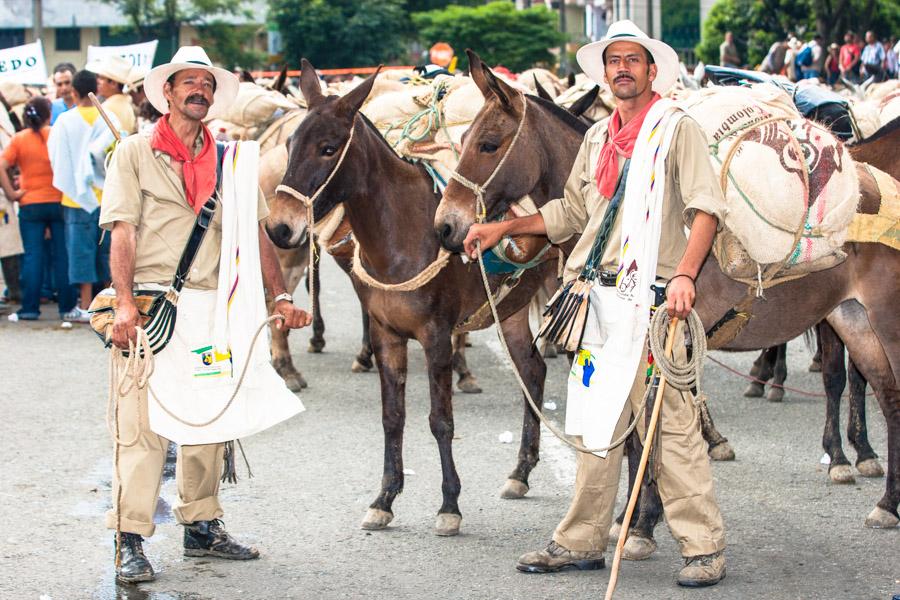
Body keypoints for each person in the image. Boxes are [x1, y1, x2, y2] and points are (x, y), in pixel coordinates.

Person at [463, 20, 727, 587]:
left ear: (652, 71)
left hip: (656, 303)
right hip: (598, 304)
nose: (623, 69)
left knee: (671, 429)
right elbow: (571, 215)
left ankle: (703, 548)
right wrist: (499, 226)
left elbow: (707, 207)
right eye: (614, 61)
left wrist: (685, 274)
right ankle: (580, 541)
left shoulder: (676, 130)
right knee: (594, 426)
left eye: (633, 60)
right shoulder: (597, 138)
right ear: (605, 74)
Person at [99, 46, 312, 584]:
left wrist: (279, 295)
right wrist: (124, 304)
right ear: (166, 93)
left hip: (214, 312)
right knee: (141, 431)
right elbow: (121, 230)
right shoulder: (132, 153)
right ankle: (130, 540)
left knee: (209, 423)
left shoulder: (234, 161)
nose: (199, 91)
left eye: (207, 84)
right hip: (152, 310)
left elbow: (257, 235)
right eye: (188, 82)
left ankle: (202, 526)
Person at [47, 70, 119, 322]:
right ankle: (111, 302)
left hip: (75, 199)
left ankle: (87, 305)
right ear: (96, 89)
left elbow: (55, 156)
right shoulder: (110, 118)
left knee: (79, 251)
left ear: (74, 92)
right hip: (108, 196)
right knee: (108, 251)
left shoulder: (64, 122)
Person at [0, 97, 77, 321]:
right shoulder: (56, 134)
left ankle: (30, 308)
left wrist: (12, 194)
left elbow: (2, 166)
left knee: (33, 256)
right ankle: (67, 307)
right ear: (48, 114)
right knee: (62, 255)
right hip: (58, 201)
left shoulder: (19, 139)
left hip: (30, 203)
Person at [86, 54, 137, 134]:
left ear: (113, 84)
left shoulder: (107, 108)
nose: (97, 81)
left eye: (101, 78)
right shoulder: (127, 103)